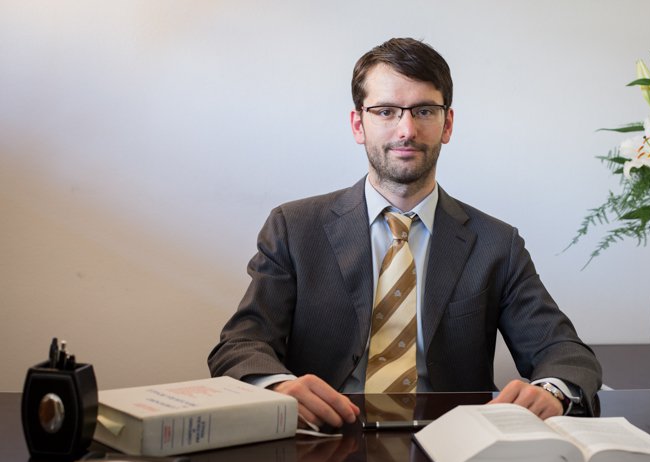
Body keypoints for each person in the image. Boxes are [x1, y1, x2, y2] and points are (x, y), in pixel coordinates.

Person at [209, 37, 602, 428]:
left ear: (447, 124)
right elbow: (241, 344)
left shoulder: (497, 244)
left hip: (452, 443)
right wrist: (278, 387)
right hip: (322, 439)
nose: (406, 129)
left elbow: (564, 352)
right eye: (385, 111)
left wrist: (552, 390)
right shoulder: (294, 229)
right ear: (357, 124)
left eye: (424, 111)